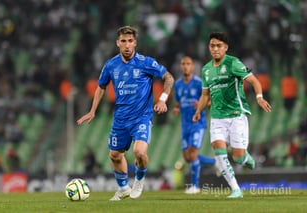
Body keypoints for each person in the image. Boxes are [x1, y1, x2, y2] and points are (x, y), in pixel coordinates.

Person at [77, 26, 174, 201]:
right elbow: (101, 86)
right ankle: (123, 189)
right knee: (114, 155)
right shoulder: (111, 65)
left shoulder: (146, 62)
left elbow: (169, 77)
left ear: (135, 43)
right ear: (118, 43)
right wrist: (92, 110)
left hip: (141, 117)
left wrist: (162, 99)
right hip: (120, 118)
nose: (127, 45)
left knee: (139, 152)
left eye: (130, 41)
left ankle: (139, 180)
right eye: (123, 41)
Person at [192, 32, 272, 198]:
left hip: (236, 116)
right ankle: (236, 189)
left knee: (237, 157)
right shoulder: (206, 69)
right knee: (219, 151)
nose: (215, 49)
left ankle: (245, 158)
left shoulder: (233, 63)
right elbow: (205, 95)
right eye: (212, 45)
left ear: (225, 48)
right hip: (217, 118)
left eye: (219, 46)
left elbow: (254, 81)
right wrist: (199, 111)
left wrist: (259, 98)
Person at [172, 56, 219, 194]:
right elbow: (178, 101)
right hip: (185, 125)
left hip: (197, 124)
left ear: (192, 67)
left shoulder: (199, 83)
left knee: (193, 154)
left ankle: (195, 186)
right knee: (187, 157)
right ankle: (214, 162)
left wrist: (202, 104)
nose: (186, 66)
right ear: (181, 67)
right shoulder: (178, 84)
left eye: (188, 64)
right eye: (183, 64)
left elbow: (211, 101)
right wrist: (176, 108)